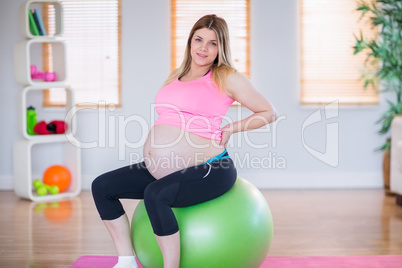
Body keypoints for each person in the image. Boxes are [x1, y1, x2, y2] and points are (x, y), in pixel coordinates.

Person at [91, 14, 278, 268]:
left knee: (155, 195)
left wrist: (232, 129)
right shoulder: (176, 76)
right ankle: (126, 261)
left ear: (221, 48)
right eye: (199, 39)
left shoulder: (226, 76)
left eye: (213, 43)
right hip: (166, 169)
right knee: (102, 187)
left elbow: (268, 112)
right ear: (190, 41)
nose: (204, 47)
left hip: (211, 168)